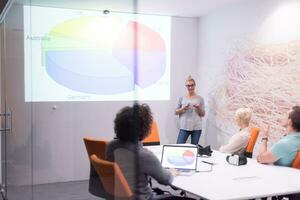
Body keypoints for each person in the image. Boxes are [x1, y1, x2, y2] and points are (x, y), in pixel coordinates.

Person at [106, 103, 191, 200]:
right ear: (144, 128)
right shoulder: (144, 155)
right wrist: (172, 172)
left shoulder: (111, 146)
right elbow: (166, 180)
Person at [256, 106, 300, 200]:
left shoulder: (286, 143)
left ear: (290, 121)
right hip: (293, 183)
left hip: (281, 183)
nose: (282, 116)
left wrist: (264, 136)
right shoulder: (295, 139)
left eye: (285, 115)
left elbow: (261, 158)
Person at [175, 75, 205, 145]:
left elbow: (202, 114)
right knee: (178, 147)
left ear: (195, 85)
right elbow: (176, 112)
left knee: (194, 149)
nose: (190, 87)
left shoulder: (200, 98)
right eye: (188, 85)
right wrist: (183, 108)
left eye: (192, 85)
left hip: (196, 128)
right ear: (186, 86)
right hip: (184, 127)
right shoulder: (181, 98)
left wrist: (199, 108)